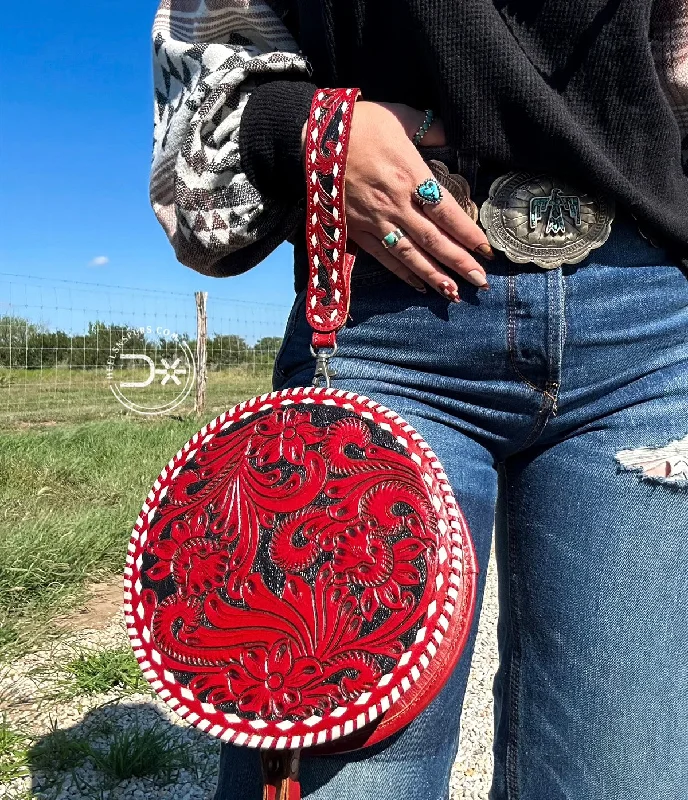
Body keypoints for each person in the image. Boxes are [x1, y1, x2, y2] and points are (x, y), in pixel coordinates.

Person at [149, 2, 688, 798]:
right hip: (383, 322)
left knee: (625, 779)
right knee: (338, 753)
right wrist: (297, 124)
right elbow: (212, 45)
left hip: (645, 331)